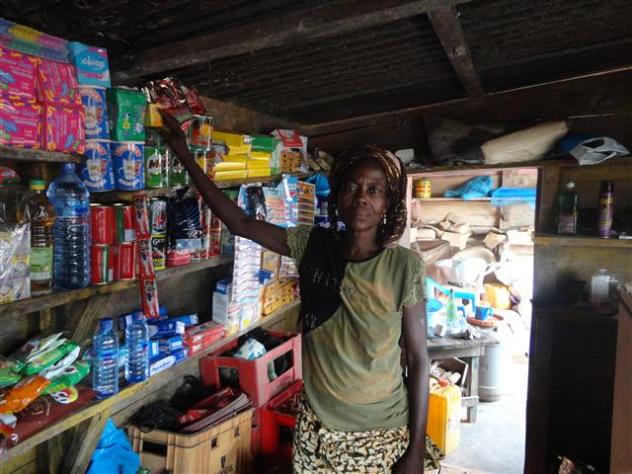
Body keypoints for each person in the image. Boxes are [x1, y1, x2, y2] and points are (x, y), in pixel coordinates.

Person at [161, 113, 430, 473]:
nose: (362, 199)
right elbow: (240, 223)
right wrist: (184, 154)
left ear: (387, 203)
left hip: (380, 430)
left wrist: (415, 449)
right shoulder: (311, 246)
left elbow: (418, 358)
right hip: (316, 427)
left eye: (374, 190)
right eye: (352, 187)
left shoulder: (405, 266)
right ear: (338, 196)